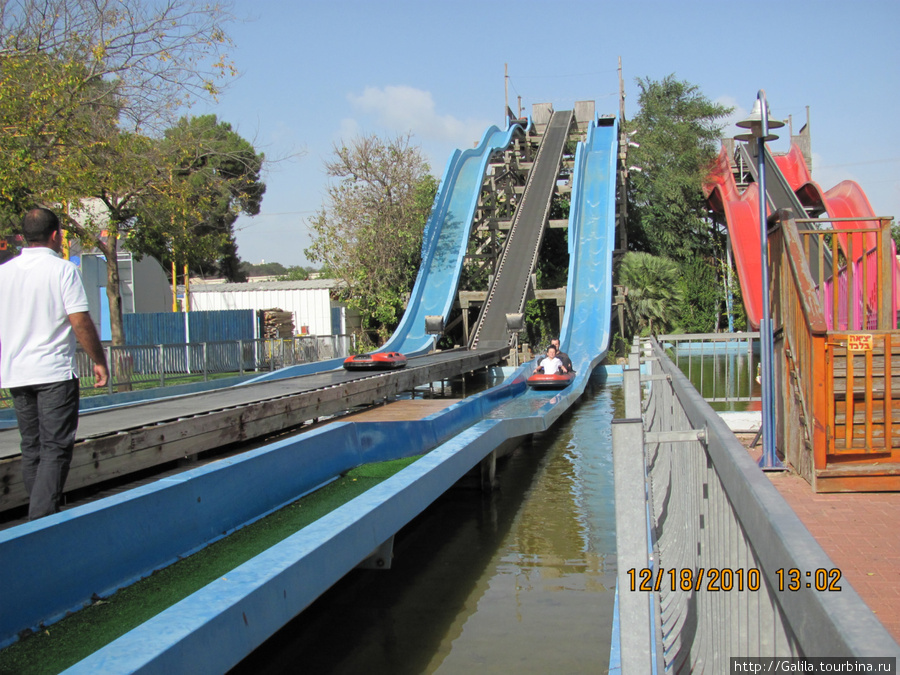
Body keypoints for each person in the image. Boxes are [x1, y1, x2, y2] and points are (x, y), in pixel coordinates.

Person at [0, 208, 109, 520]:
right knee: (56, 448)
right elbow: (80, 321)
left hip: (16, 373)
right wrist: (98, 360)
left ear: (22, 237)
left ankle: (39, 515)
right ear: (55, 235)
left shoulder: (4, 273)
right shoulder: (63, 271)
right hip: (53, 372)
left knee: (31, 447)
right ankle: (42, 521)